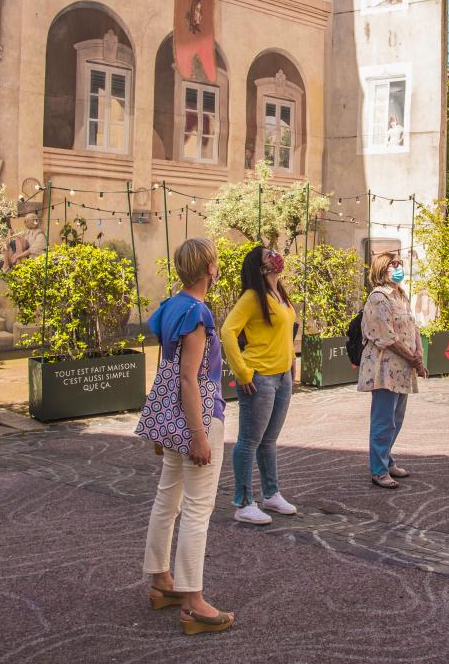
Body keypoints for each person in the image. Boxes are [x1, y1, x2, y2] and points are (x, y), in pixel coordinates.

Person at [136, 237, 233, 635]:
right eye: (215, 262)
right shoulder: (197, 313)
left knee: (168, 497)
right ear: (209, 268)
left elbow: (168, 371)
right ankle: (193, 600)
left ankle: (161, 578)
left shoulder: (171, 306)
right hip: (198, 416)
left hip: (173, 415)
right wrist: (198, 434)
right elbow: (190, 380)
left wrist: (167, 426)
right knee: (197, 508)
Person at [220, 246, 298, 525]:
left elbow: (286, 330)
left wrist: (290, 360)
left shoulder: (279, 294)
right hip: (259, 378)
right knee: (249, 441)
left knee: (269, 440)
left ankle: (271, 494)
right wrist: (241, 372)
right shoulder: (252, 297)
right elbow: (227, 331)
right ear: (260, 267)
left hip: (282, 377)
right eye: (269, 255)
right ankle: (243, 503)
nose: (276, 256)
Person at [357, 252, 427, 489]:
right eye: (392, 264)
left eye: (399, 263)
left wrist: (418, 355)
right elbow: (386, 337)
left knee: (396, 418)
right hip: (385, 368)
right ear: (381, 269)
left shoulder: (400, 294)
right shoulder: (378, 297)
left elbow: (412, 327)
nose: (398, 267)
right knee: (383, 420)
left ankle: (386, 460)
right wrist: (414, 359)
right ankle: (378, 469)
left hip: (403, 368)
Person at [0, 211, 47, 308]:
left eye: (27, 221)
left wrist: (17, 256)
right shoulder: (26, 234)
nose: (25, 223)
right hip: (11, 257)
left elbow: (30, 250)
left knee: (15, 241)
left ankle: (6, 265)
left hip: (26, 260)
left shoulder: (39, 235)